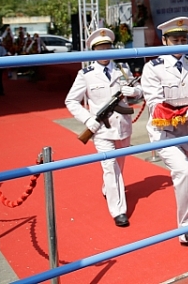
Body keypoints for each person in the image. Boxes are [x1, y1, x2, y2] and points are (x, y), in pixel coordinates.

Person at [141, 16, 188, 252]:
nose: (181, 43)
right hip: (165, 132)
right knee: (182, 171)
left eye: (184, 39)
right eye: (175, 40)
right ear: (165, 41)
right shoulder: (153, 68)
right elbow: (154, 104)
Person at [65, 28, 142, 228]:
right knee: (110, 168)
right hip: (101, 129)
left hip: (122, 127)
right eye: (100, 48)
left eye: (108, 46)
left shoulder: (122, 68)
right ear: (94, 50)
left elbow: (139, 96)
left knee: (119, 166)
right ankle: (119, 211)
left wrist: (134, 92)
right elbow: (71, 101)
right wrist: (87, 119)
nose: (105, 50)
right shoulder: (86, 74)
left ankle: (109, 189)